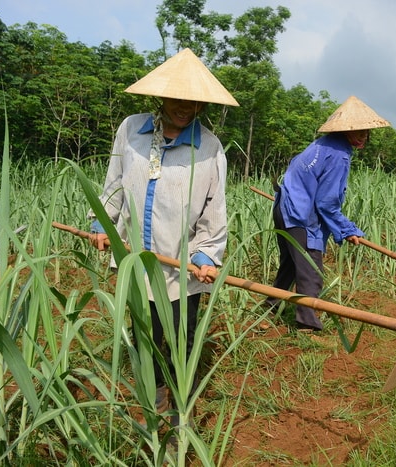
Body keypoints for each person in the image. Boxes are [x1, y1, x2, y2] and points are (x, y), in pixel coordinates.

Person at [88, 48, 239, 421]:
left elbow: (212, 213)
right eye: (176, 98)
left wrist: (205, 256)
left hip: (179, 265)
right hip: (134, 260)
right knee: (144, 331)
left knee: (179, 338)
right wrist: (103, 225)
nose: (185, 107)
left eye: (194, 102)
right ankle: (153, 394)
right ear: (160, 95)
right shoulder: (130, 131)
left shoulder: (209, 148)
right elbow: (114, 186)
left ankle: (178, 398)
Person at [264, 96, 390, 332]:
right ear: (345, 130)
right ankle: (306, 325)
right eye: (359, 131)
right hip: (299, 215)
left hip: (284, 208)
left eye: (366, 131)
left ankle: (271, 307)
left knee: (291, 265)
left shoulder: (323, 144)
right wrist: (347, 229)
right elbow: (326, 203)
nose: (363, 136)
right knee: (311, 270)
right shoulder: (339, 155)